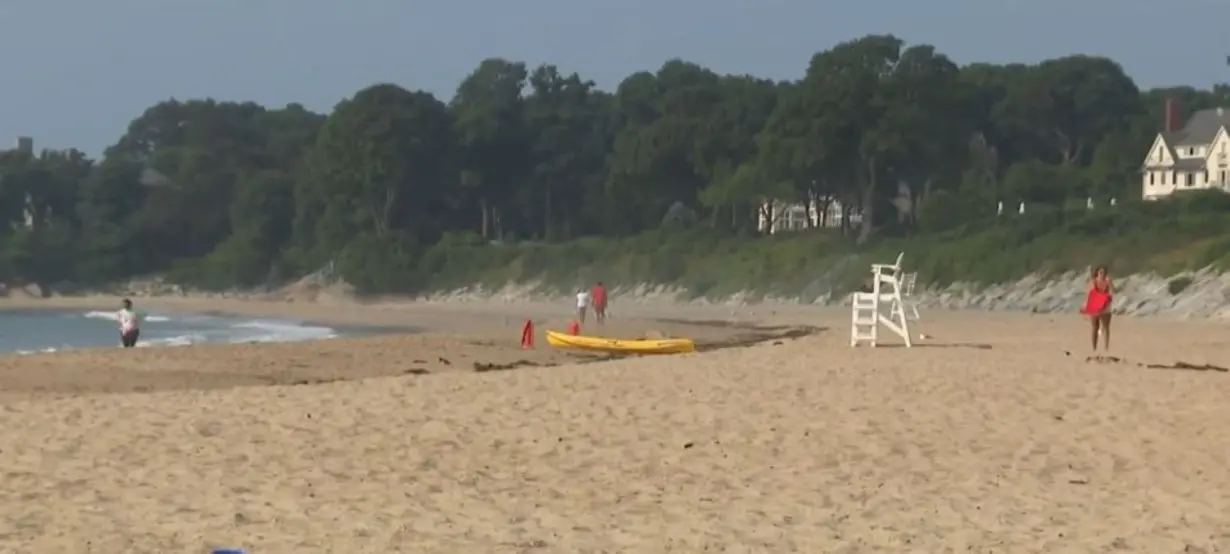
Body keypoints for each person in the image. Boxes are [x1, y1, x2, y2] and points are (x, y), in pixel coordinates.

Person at [1080, 266, 1113, 351]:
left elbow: (1112, 292)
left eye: (1104, 272)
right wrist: (1086, 304)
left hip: (1105, 306)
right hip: (1095, 305)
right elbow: (1090, 294)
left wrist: (1110, 284)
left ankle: (1106, 347)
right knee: (1095, 327)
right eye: (1101, 272)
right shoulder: (1094, 281)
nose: (1102, 274)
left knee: (1106, 327)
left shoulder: (1108, 281)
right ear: (1097, 273)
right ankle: (1094, 348)